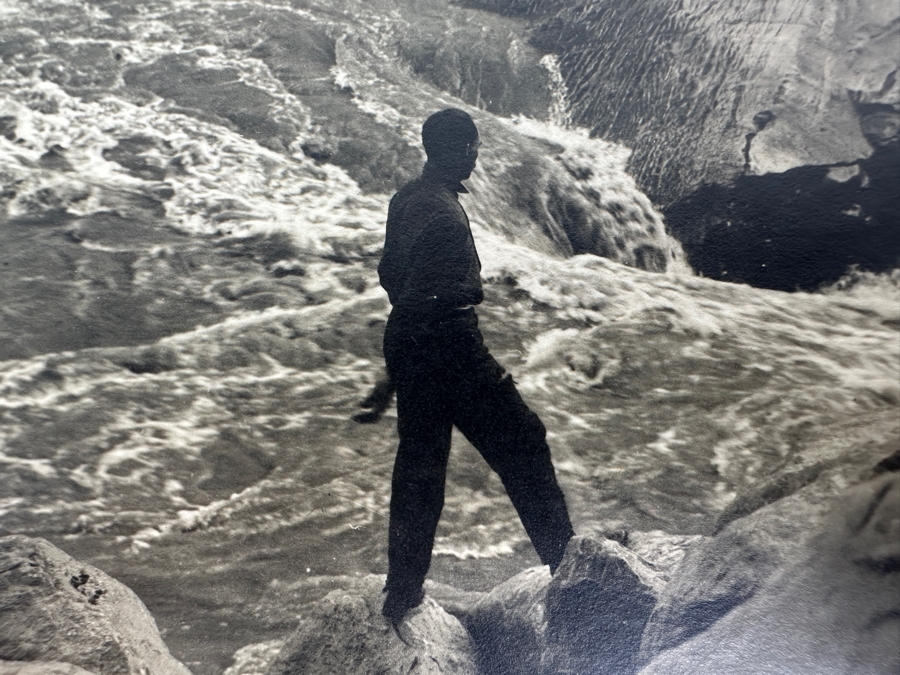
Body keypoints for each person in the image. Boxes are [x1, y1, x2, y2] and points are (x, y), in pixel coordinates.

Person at [378, 108, 575, 624]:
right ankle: (568, 568)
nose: (473, 154)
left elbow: (391, 276)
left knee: (421, 467)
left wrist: (392, 372)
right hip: (449, 342)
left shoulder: (408, 198)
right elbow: (430, 298)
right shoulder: (444, 214)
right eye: (469, 146)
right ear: (451, 150)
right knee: (524, 441)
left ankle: (402, 592)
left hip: (409, 340)